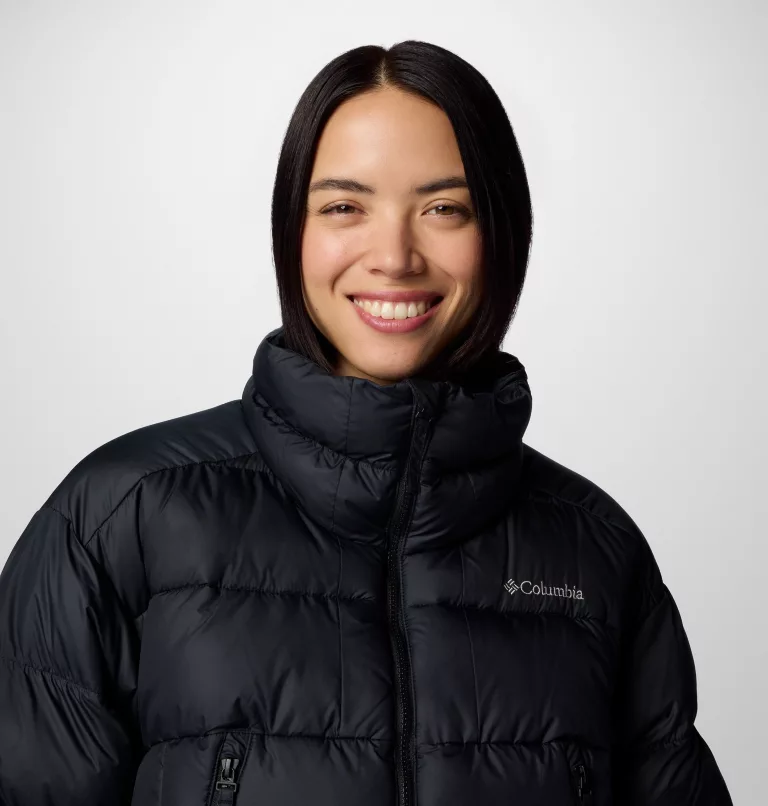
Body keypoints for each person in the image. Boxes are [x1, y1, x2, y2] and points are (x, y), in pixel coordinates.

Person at [0, 40, 732, 806]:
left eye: (444, 209)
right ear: (293, 232)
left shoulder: (595, 548)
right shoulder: (123, 514)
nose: (394, 256)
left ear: (503, 234)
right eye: (344, 207)